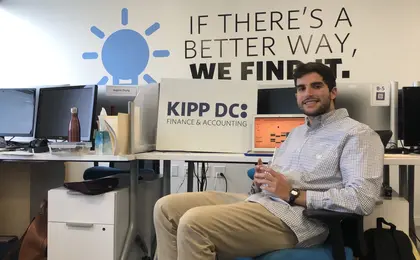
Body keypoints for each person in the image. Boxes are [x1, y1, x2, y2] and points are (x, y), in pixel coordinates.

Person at [153, 62, 384, 260]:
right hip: (261, 202)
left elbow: (362, 199)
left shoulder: (357, 135)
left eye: (316, 86)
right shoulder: (296, 134)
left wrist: (293, 194)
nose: (308, 93)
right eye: (301, 88)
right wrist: (264, 179)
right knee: (166, 208)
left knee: (194, 223)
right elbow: (276, 183)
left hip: (297, 219)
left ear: (333, 92)